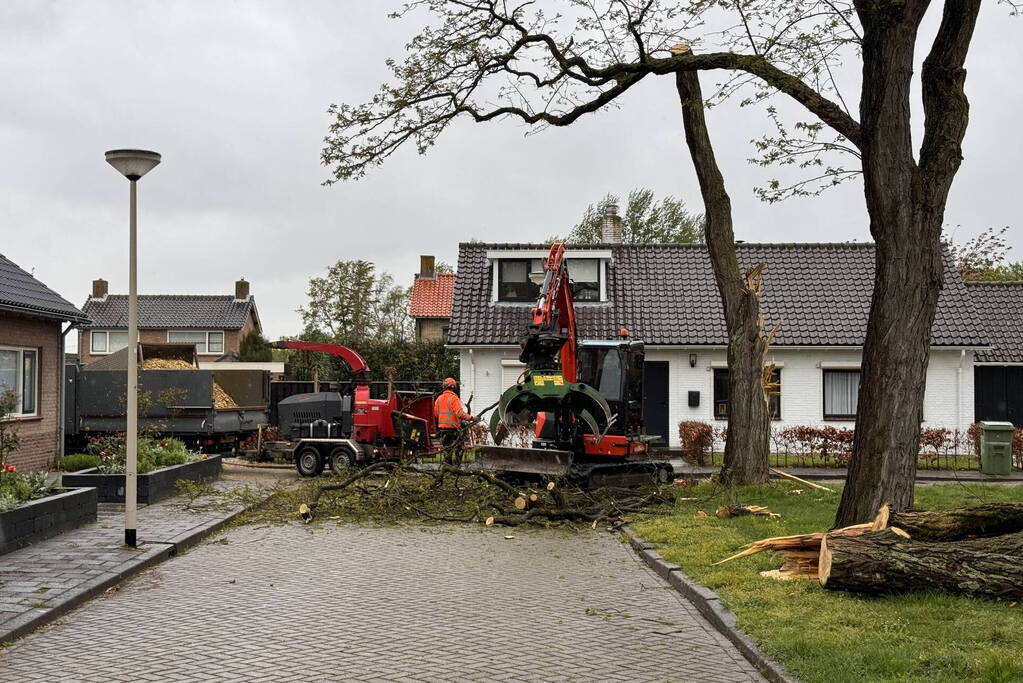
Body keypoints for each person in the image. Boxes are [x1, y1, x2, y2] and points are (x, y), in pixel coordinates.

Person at [435, 377, 472, 464]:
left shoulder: (439, 399)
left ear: (444, 387)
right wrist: (470, 418)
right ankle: (456, 468)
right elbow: (460, 413)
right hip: (454, 429)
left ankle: (448, 469)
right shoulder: (454, 398)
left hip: (443, 430)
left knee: (447, 451)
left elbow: (436, 414)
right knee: (459, 449)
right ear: (454, 387)